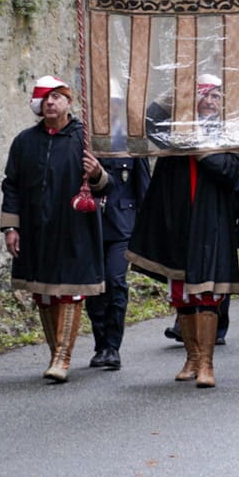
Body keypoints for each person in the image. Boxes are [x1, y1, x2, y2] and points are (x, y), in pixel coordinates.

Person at [128, 75, 239, 388]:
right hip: (177, 218)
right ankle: (192, 357)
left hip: (212, 220)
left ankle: (206, 363)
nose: (210, 101)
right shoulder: (175, 130)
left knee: (206, 292)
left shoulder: (230, 132)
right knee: (181, 292)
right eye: (204, 95)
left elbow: (232, 171)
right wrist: (176, 91)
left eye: (216, 96)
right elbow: (150, 122)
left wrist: (201, 149)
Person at [1, 76, 110, 383]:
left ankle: (63, 357)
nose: (50, 102)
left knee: (70, 293)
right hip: (36, 230)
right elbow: (12, 185)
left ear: (68, 101)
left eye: (56, 97)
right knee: (45, 294)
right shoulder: (24, 141)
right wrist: (11, 227)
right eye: (45, 98)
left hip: (74, 227)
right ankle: (55, 354)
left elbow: (108, 185)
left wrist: (98, 173)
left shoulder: (85, 139)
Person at [88, 155, 150, 371]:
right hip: (91, 225)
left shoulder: (129, 144)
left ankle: (113, 347)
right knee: (94, 286)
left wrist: (145, 232)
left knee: (115, 281)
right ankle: (100, 345)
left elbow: (143, 189)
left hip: (122, 226)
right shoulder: (85, 141)